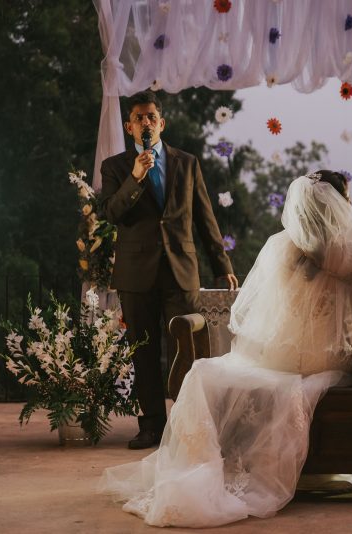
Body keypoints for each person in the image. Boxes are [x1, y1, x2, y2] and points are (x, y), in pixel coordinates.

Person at [99, 171, 352, 528]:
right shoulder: (351, 255)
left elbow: (255, 310)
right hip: (323, 359)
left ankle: (211, 466)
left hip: (276, 354)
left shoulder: (281, 246)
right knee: (349, 361)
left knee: (210, 371)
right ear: (338, 204)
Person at [100, 90, 238, 450]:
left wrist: (222, 264)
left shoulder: (187, 162)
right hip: (136, 273)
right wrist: (135, 177)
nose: (145, 122)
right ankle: (151, 426)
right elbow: (112, 213)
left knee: (188, 349)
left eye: (151, 117)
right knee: (144, 352)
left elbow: (206, 218)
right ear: (130, 127)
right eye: (138, 118)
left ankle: (189, 423)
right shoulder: (114, 167)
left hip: (181, 271)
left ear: (161, 123)